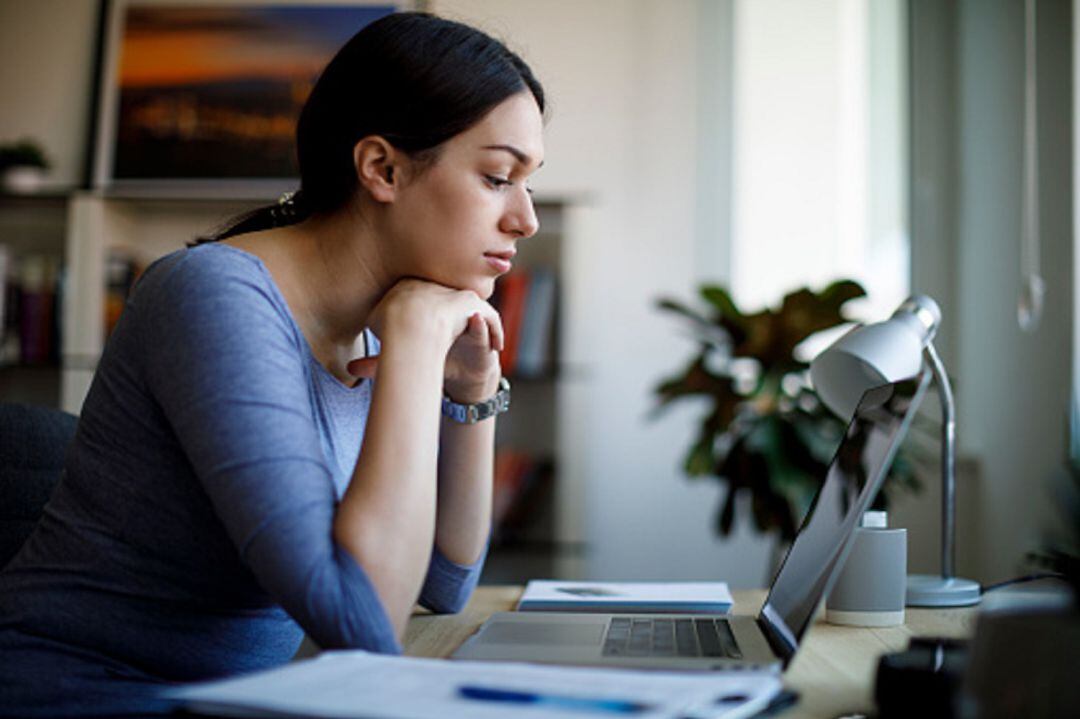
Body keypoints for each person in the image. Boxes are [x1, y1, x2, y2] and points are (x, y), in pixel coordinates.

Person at [0, 11, 544, 716]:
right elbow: (363, 623)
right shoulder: (214, 295)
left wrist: (470, 390)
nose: (526, 218)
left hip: (229, 699)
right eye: (499, 176)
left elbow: (443, 583)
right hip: (79, 693)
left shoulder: (376, 321)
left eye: (529, 181)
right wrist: (412, 343)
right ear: (381, 168)